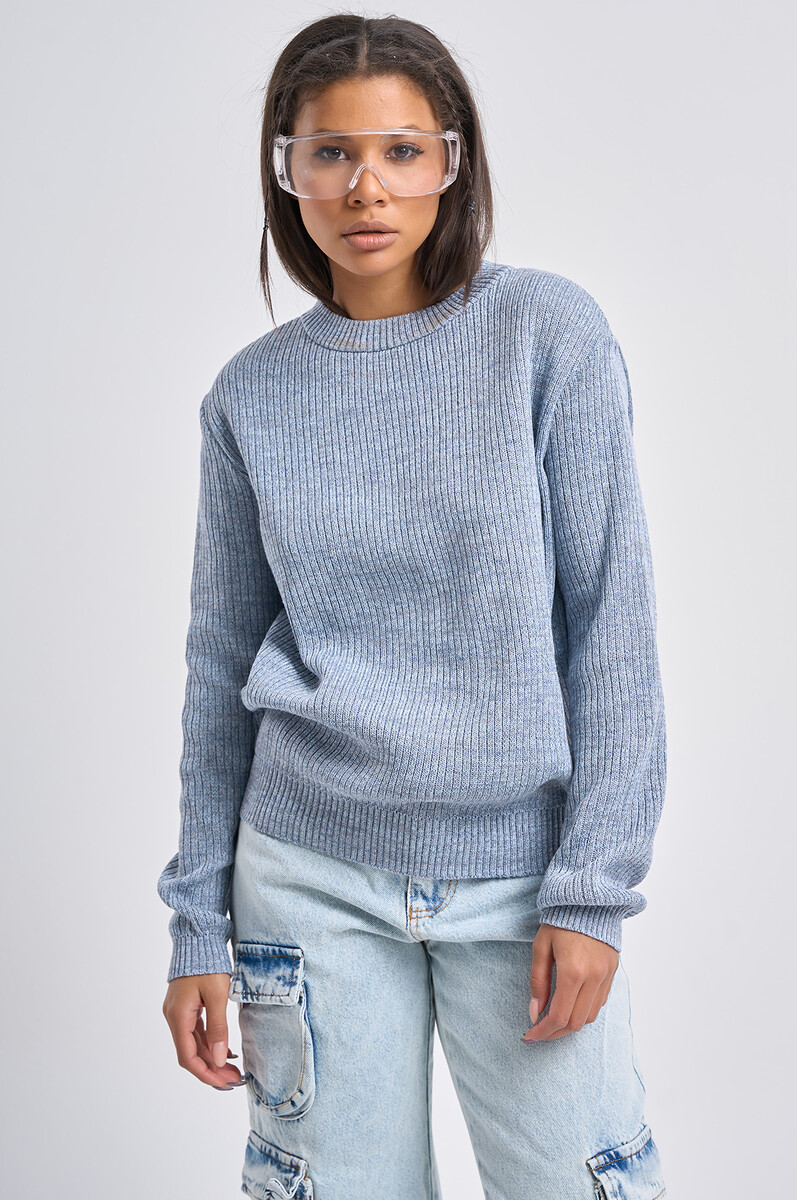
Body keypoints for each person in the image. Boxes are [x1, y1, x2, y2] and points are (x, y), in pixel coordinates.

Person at [157, 13, 669, 1199]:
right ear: (286, 172)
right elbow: (218, 667)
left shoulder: (546, 335)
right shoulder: (249, 399)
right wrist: (194, 926)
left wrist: (592, 891)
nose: (365, 187)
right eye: (329, 153)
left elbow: (610, 625)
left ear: (451, 162)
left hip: (522, 880)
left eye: (399, 150)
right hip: (306, 875)